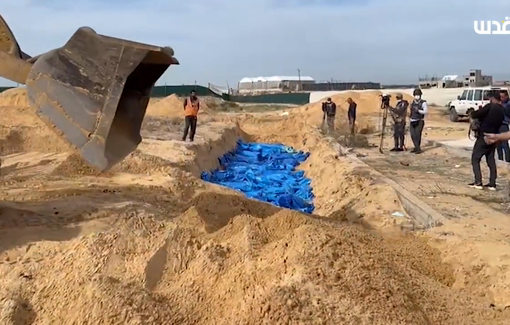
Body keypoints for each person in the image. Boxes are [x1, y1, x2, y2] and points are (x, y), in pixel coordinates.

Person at [469, 91, 505, 190]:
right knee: (491, 160)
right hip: (494, 136)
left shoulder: (490, 106)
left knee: (475, 159)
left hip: (484, 135)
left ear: (492, 98)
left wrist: (472, 112)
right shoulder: (502, 110)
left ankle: (478, 182)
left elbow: (476, 114)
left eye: (489, 99)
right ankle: (492, 183)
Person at [409, 88, 428, 154]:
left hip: (419, 121)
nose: (417, 96)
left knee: (417, 135)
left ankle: (418, 149)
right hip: (412, 120)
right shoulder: (412, 102)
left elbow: (425, 112)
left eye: (418, 95)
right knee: (412, 135)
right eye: (416, 95)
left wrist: (418, 110)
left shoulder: (423, 103)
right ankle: (416, 147)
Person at [496, 90, 510, 162]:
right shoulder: (500, 104)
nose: (501, 98)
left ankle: (508, 160)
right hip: (498, 124)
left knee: (505, 144)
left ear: (507, 97)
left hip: (504, 124)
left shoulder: (507, 104)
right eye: (500, 97)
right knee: (498, 144)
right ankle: (500, 159)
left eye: (502, 97)